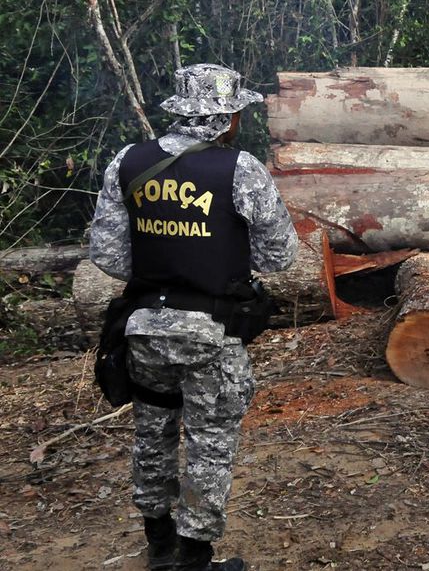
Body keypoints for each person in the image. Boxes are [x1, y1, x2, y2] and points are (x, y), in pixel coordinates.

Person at [90, 64, 299, 571]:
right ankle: (195, 559)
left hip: (143, 330)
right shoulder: (241, 168)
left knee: (152, 433)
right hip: (211, 334)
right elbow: (280, 254)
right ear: (226, 117)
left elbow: (107, 254)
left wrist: (165, 259)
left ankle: (158, 546)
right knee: (210, 445)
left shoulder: (128, 160)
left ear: (183, 110)